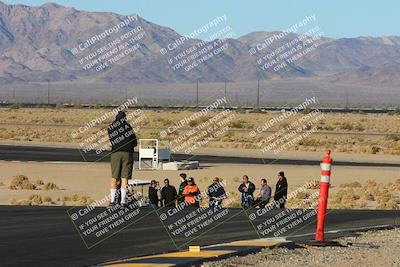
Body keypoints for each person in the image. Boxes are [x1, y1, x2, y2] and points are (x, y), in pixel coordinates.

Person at [108, 111, 137, 207]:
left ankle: (112, 201)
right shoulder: (128, 127)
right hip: (128, 153)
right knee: (125, 178)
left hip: (115, 152)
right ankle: (123, 201)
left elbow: (111, 139)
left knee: (114, 177)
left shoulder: (111, 127)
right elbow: (134, 141)